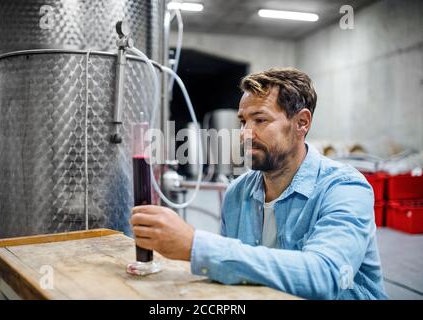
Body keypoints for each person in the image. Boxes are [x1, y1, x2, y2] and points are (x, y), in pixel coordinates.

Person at [130, 67, 388, 300]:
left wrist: (196, 245)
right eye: (243, 121)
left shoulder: (345, 188)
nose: (244, 133)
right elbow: (234, 280)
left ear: (301, 123)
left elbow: (326, 276)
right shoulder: (237, 194)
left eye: (260, 120)